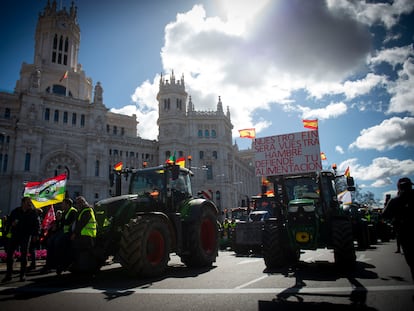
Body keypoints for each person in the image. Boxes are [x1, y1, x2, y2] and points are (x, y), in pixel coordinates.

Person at [382, 177, 414, 284]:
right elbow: (385, 215)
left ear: (399, 188)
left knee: (411, 261)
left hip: (405, 234)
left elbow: (385, 215)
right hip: (405, 233)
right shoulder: (395, 201)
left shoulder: (396, 200)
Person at [2, 197, 40, 282]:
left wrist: (35, 235)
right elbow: (9, 222)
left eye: (30, 202)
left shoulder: (33, 213)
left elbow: (37, 224)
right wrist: (11, 224)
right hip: (15, 235)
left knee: (24, 255)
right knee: (9, 255)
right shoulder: (16, 211)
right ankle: (9, 274)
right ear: (23, 203)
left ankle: (22, 274)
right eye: (28, 202)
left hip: (26, 236)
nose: (29, 203)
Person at [70, 196, 97, 273]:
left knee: (84, 254)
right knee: (83, 254)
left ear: (82, 203)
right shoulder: (82, 211)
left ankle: (85, 271)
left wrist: (75, 233)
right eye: (77, 203)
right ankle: (83, 269)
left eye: (78, 203)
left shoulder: (87, 210)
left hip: (86, 236)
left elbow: (81, 224)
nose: (77, 205)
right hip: (83, 235)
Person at [55, 198, 77, 273]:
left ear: (67, 204)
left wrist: (61, 219)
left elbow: (68, 222)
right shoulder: (64, 212)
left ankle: (62, 265)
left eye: (63, 204)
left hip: (69, 233)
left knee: (59, 244)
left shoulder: (73, 211)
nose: (61, 205)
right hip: (63, 232)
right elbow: (61, 223)